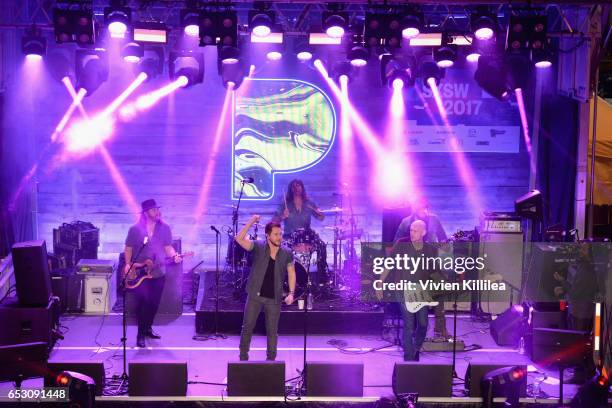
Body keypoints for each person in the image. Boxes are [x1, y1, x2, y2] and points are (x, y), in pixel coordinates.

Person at [235, 215, 296, 361]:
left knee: (272, 331)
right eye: (275, 234)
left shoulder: (287, 252)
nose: (279, 237)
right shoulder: (258, 246)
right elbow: (239, 239)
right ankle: (243, 358)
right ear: (267, 235)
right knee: (247, 327)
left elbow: (291, 273)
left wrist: (291, 293)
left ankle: (271, 361)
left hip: (274, 298)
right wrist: (251, 221)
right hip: (255, 295)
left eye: (280, 234)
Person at [124, 199, 182, 348]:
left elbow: (168, 247)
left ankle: (148, 328)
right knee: (143, 304)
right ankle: (140, 334)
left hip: (158, 272)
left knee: (154, 304)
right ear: (145, 213)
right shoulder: (135, 229)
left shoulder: (165, 228)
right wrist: (128, 265)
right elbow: (129, 248)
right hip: (140, 272)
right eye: (153, 210)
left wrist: (174, 255)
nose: (157, 212)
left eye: (157, 209)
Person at [378, 220, 438, 361]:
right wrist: (380, 281)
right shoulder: (401, 245)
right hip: (403, 290)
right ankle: (409, 359)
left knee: (423, 324)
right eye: (411, 230)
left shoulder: (430, 250)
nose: (412, 233)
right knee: (409, 324)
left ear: (423, 232)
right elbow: (389, 264)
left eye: (415, 230)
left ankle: (416, 347)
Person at [394, 198, 449, 340]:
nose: (424, 211)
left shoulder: (434, 220)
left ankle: (440, 328)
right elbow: (396, 244)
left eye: (426, 208)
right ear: (415, 209)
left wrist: (441, 249)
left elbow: (443, 239)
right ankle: (412, 330)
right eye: (421, 208)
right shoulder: (406, 222)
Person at [273, 179, 328, 284]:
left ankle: (322, 278)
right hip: (289, 236)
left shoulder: (309, 203)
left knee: (322, 246)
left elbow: (321, 218)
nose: (296, 188)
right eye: (294, 186)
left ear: (302, 188)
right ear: (291, 189)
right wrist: (282, 216)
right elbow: (274, 221)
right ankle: (284, 279)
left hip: (307, 234)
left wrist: (320, 213)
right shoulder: (285, 204)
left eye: (298, 186)